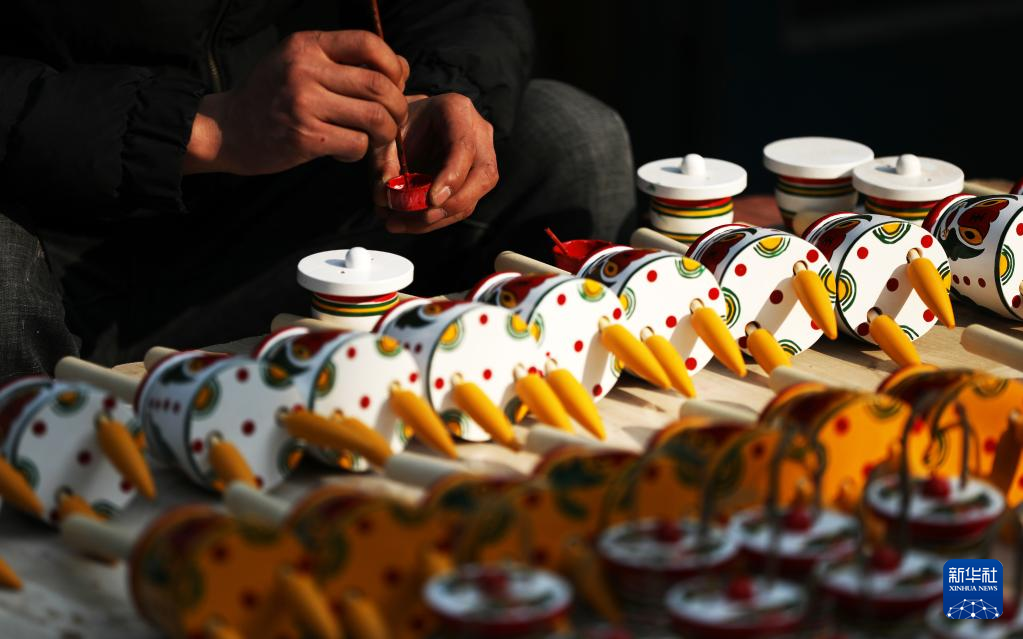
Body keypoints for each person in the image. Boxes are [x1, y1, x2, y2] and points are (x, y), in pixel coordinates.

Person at [0, 0, 635, 383]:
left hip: (296, 197)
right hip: (57, 238)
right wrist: (208, 129)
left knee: (570, 138)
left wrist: (444, 89)